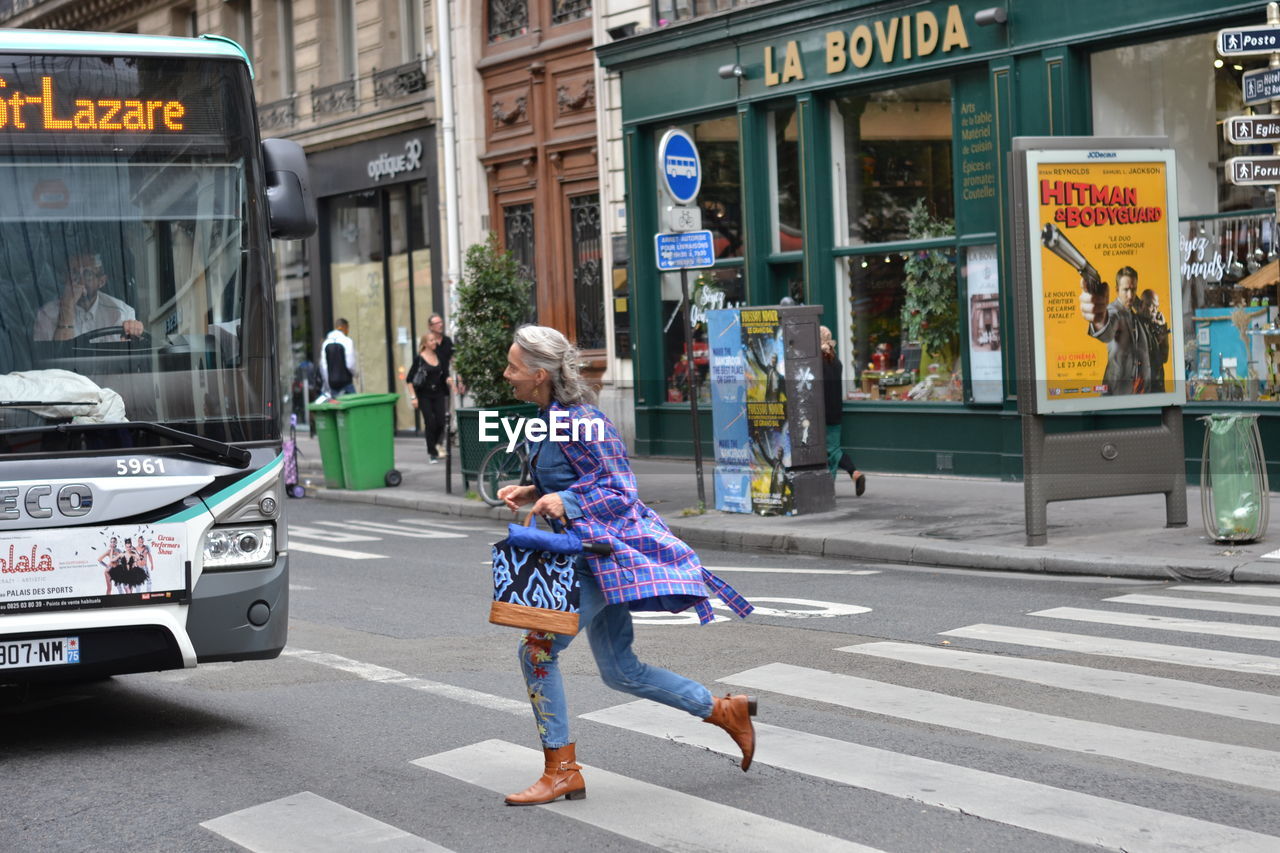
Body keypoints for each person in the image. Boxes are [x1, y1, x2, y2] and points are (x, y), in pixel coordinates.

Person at [495, 324, 758, 806]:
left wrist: (567, 500)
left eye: (514, 367)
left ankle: (562, 771)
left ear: (538, 375)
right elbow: (576, 476)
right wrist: (534, 490)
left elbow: (620, 489)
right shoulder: (547, 417)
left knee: (535, 651)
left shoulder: (582, 421)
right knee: (621, 671)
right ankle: (724, 710)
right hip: (586, 557)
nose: (506, 374)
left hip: (592, 559)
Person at [1079, 266, 1156, 395]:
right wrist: (1099, 320)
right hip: (1118, 395)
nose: (1130, 295)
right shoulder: (1113, 311)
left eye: (1133, 289)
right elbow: (1106, 329)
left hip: (1141, 393)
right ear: (1116, 290)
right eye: (1125, 290)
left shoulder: (1136, 314)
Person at [34, 252, 143, 342]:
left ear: (101, 281)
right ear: (65, 278)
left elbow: (129, 357)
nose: (80, 281)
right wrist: (67, 308)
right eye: (74, 273)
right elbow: (50, 361)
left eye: (87, 274)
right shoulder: (46, 315)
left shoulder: (122, 313)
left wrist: (134, 330)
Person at [820, 326, 865, 495]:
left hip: (822, 412)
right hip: (836, 410)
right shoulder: (836, 361)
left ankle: (854, 473)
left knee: (832, 450)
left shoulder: (818, 362)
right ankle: (829, 486)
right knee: (830, 450)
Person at [406, 331, 450, 462]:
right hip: (424, 395)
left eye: (434, 340)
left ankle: (437, 444)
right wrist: (413, 398)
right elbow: (409, 380)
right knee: (430, 422)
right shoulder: (419, 359)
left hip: (439, 393)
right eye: (431, 340)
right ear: (425, 344)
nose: (434, 342)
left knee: (441, 422)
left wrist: (451, 382)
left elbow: (445, 374)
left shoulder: (440, 357)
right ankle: (432, 452)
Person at [1138, 289, 1171, 393]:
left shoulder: (1153, 327)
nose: (1154, 310)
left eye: (1157, 307)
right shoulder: (1134, 325)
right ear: (1141, 305)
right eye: (1150, 305)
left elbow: (1164, 358)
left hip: (1157, 388)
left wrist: (1163, 331)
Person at [319, 318, 358, 397]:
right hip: (346, 384)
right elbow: (350, 364)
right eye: (347, 328)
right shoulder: (347, 341)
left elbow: (323, 367)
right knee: (353, 405)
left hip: (333, 385)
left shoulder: (326, 343)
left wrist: (328, 384)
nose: (347, 331)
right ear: (344, 327)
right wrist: (356, 374)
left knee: (336, 407)